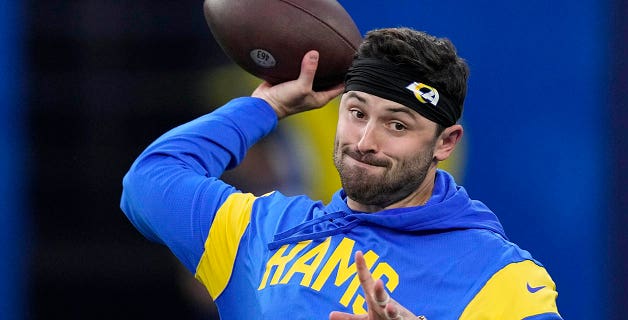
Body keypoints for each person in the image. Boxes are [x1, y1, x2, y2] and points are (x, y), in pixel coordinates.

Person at [120, 27, 562, 319]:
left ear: (445, 143)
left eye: (397, 125)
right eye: (356, 113)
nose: (366, 141)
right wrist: (265, 107)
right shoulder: (266, 230)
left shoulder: (497, 274)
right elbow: (148, 182)